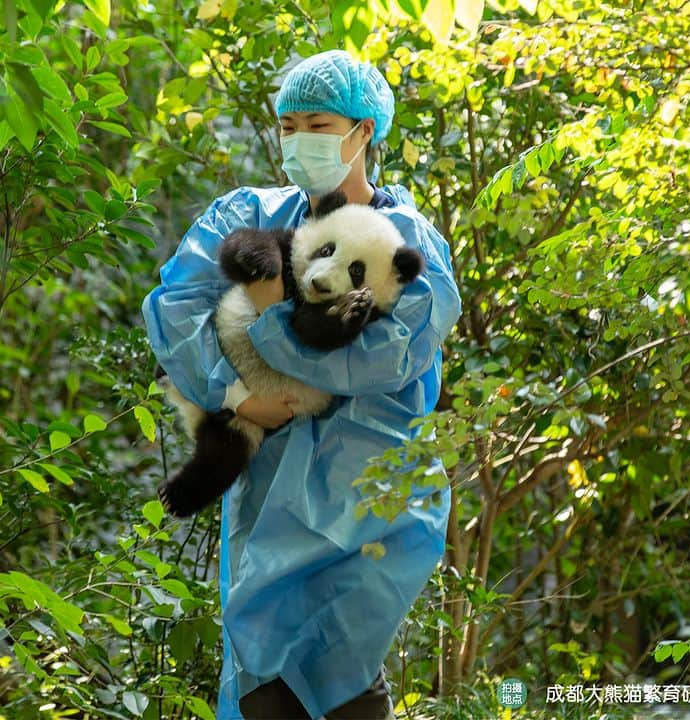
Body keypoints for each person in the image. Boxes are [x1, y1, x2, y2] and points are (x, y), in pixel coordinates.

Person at [141, 49, 462, 719]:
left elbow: (385, 357)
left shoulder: (403, 242)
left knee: (345, 676)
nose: (297, 141)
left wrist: (268, 320)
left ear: (363, 131)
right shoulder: (248, 214)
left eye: (316, 124)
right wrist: (235, 397)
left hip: (371, 502)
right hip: (268, 507)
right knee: (266, 677)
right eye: (287, 125)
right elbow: (172, 310)